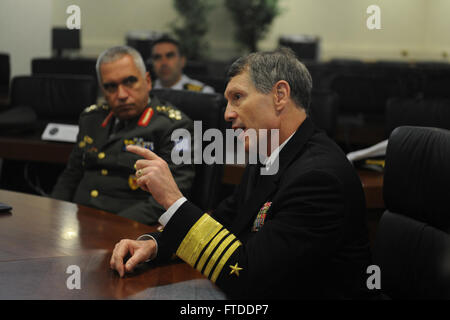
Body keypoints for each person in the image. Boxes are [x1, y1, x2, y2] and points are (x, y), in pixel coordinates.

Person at [110, 48, 375, 299]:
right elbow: (226, 220)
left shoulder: (319, 179)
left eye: (237, 97)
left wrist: (172, 199)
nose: (226, 114)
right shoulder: (270, 155)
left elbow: (246, 277)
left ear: (280, 95)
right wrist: (157, 244)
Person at [51, 46, 195, 226]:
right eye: (110, 87)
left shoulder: (176, 127)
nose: (121, 95)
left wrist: (113, 226)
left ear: (148, 81)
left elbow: (173, 196)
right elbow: (71, 176)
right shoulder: (91, 119)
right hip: (79, 223)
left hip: (129, 228)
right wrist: (53, 215)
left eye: (129, 82)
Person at [151, 37, 215, 94]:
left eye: (170, 56)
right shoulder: (147, 90)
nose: (164, 63)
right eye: (157, 57)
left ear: (182, 61)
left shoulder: (202, 93)